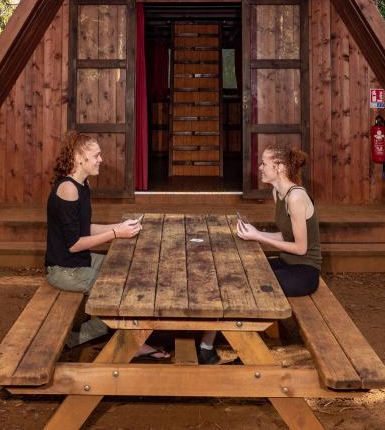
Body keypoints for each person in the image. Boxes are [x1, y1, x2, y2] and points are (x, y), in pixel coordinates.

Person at [46, 131, 170, 358]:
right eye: (96, 155)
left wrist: (121, 226)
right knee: (118, 292)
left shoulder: (83, 185)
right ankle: (130, 343)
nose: (101, 159)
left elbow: (85, 229)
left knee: (132, 272)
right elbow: (74, 244)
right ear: (79, 157)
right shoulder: (68, 189)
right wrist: (115, 233)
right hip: (65, 270)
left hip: (80, 261)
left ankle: (87, 335)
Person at [197, 144, 321, 365]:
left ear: (280, 167)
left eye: (265, 163)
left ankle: (249, 355)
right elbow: (286, 236)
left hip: (304, 272)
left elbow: (301, 248)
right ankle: (206, 347)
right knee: (234, 273)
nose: (260, 168)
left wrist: (259, 237)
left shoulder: (296, 197)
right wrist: (256, 233)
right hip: (287, 263)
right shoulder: (278, 193)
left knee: (246, 287)